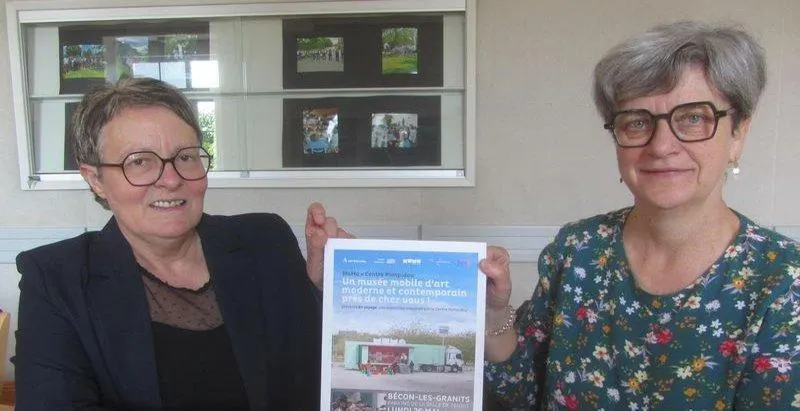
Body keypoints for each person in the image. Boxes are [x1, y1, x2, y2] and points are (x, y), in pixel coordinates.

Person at [480, 21, 800, 409]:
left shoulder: (783, 281)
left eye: (693, 118)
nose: (661, 146)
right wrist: (494, 312)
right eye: (637, 122)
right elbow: (520, 392)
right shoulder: (577, 250)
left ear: (738, 135)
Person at [13, 77, 349, 410]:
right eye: (139, 162)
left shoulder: (265, 241)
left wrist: (325, 292)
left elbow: (318, 380)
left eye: (185, 157)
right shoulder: (56, 279)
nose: (172, 179)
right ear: (95, 179)